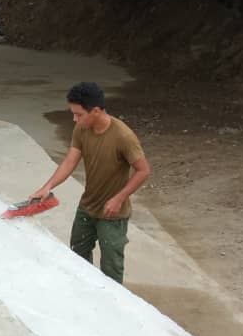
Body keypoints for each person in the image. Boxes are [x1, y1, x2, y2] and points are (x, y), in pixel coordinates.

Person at [28, 82, 151, 284]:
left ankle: (112, 306)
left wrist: (119, 199)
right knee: (77, 256)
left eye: (79, 114)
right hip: (87, 206)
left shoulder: (123, 136)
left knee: (111, 267)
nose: (74, 119)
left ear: (95, 111)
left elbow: (143, 170)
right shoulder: (81, 129)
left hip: (113, 214)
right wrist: (47, 187)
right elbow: (70, 161)